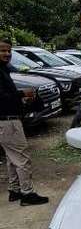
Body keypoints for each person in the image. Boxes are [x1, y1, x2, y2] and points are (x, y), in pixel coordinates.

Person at [0, 35, 48, 206]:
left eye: (8, 50)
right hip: (7, 122)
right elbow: (2, 97)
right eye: (2, 50)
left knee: (12, 158)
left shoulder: (4, 70)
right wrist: (22, 94)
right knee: (22, 158)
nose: (6, 54)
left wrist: (22, 100)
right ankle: (27, 194)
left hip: (9, 120)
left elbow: (8, 98)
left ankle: (14, 190)